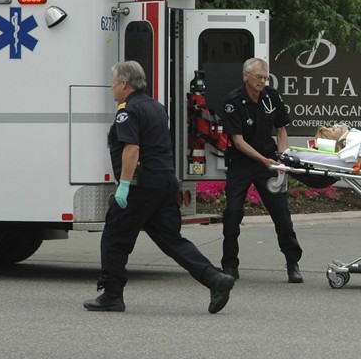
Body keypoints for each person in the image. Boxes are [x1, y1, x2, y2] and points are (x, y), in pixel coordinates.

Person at [84, 61, 234, 314]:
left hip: (142, 183)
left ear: (124, 84)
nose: (112, 88)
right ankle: (214, 278)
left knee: (115, 236)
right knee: (170, 239)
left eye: (113, 83)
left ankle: (112, 294)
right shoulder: (156, 106)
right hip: (165, 180)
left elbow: (132, 149)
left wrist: (123, 186)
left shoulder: (128, 111)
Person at [221, 58, 303, 283]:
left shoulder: (272, 96)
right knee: (233, 214)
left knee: (282, 214)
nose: (262, 81)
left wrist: (282, 157)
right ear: (245, 76)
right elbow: (237, 140)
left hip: (268, 163)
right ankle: (229, 265)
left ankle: (292, 263)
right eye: (259, 77)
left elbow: (282, 129)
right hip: (242, 163)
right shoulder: (233, 101)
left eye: (265, 77)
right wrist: (263, 159)